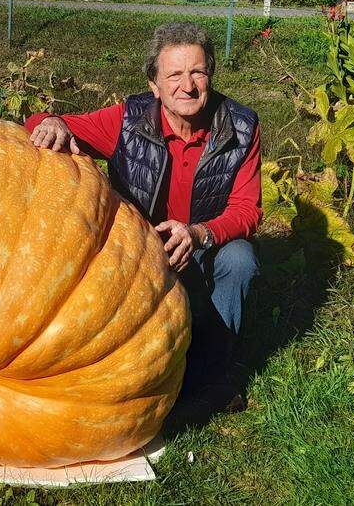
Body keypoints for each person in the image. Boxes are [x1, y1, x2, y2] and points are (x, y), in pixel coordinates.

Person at [24, 21, 261, 414]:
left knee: (241, 260)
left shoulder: (241, 126)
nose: (187, 85)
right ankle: (124, 375)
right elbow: (48, 123)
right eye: (174, 75)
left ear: (211, 75)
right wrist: (49, 121)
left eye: (197, 72)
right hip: (138, 252)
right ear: (154, 86)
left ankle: (209, 377)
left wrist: (199, 233)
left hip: (205, 246)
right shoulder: (127, 120)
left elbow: (247, 211)